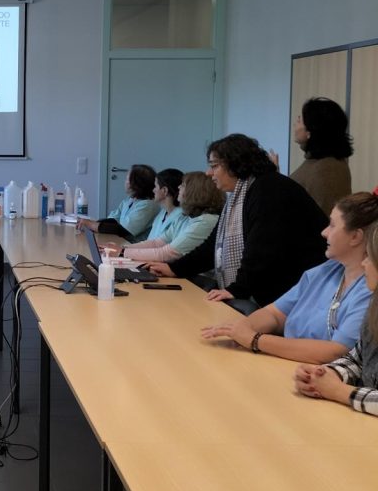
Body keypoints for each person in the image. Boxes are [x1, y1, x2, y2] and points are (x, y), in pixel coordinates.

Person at [148, 134, 327, 307]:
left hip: (303, 296)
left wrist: (238, 289)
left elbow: (263, 251)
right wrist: (175, 269)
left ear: (235, 164)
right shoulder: (243, 194)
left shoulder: (269, 190)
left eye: (214, 166)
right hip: (284, 293)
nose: (209, 173)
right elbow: (213, 247)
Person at [202, 192, 378, 363]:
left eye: (332, 225)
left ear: (355, 236)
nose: (324, 232)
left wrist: (255, 340)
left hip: (313, 374)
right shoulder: (326, 270)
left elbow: (336, 351)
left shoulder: (370, 289)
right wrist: (244, 328)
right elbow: (275, 313)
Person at [295, 223, 378, 416]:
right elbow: (357, 359)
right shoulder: (374, 308)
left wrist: (339, 391)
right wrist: (324, 375)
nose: (364, 263)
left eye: (370, 257)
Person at [111, 172, 223, 263]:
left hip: (195, 279)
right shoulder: (185, 217)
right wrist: (123, 249)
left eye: (183, 185)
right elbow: (156, 243)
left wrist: (122, 252)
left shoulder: (206, 221)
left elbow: (168, 253)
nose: (179, 187)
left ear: (194, 192)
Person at [270, 97, 352, 216]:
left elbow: (319, 217)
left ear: (310, 131)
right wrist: (276, 177)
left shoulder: (325, 169)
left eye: (299, 120)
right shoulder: (320, 162)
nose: (295, 124)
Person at [79, 164, 158, 241]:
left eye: (127, 179)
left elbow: (123, 230)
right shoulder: (129, 200)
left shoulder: (147, 206)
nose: (125, 182)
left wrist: (91, 224)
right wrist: (91, 223)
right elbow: (113, 220)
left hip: (132, 245)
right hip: (120, 241)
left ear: (137, 184)